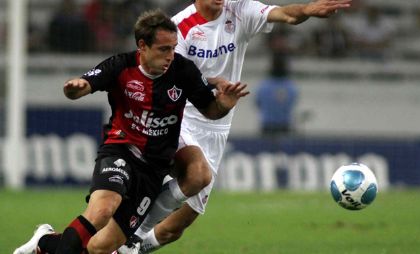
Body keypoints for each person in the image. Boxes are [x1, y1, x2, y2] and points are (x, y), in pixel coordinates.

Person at [118, 0, 352, 253]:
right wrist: (211, 83)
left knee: (177, 226)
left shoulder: (239, 10)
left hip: (217, 125)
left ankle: (133, 249)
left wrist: (307, 10)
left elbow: (284, 14)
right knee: (194, 174)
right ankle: (128, 233)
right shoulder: (179, 28)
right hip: (182, 116)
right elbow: (173, 75)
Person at [13, 9, 248, 254]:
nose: (171, 55)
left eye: (173, 48)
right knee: (102, 210)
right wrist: (76, 88)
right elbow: (82, 86)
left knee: (99, 247)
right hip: (121, 151)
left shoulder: (183, 71)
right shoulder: (120, 65)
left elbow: (210, 110)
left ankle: (45, 241)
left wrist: (224, 104)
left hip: (153, 169)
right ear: (142, 46)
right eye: (163, 49)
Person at [256, 54, 298, 136]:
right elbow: (293, 102)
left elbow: (258, 104)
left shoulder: (263, 86)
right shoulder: (291, 86)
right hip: (284, 126)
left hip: (267, 126)